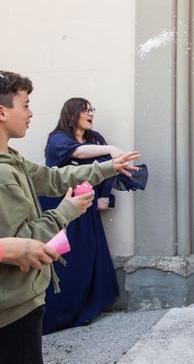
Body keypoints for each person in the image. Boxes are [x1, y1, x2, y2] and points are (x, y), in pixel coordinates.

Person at [0, 70, 140, 364]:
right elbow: (23, 244)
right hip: (14, 308)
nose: (30, 113)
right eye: (24, 105)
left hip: (25, 300)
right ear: (2, 111)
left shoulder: (11, 159)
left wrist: (109, 167)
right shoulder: (4, 173)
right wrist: (68, 210)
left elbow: (53, 177)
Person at [39, 97, 134, 334]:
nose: (91, 113)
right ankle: (61, 312)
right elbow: (80, 155)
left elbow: (107, 169)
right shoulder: (58, 140)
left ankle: (86, 307)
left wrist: (104, 196)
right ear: (71, 115)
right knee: (68, 262)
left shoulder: (95, 139)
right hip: (62, 208)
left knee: (88, 256)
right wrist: (111, 149)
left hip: (87, 208)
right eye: (85, 110)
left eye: (92, 109)